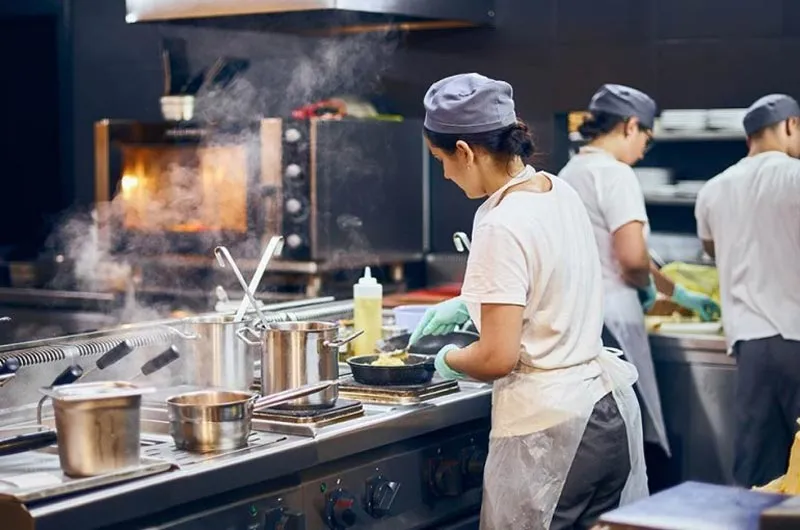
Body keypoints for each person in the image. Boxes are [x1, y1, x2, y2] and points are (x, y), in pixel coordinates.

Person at [410, 73, 648, 530]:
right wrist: (470, 302)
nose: (445, 174)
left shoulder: (500, 222)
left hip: (552, 434)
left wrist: (445, 360)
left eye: (441, 160)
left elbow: (497, 358)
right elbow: (546, 285)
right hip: (605, 412)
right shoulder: (558, 189)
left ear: (465, 151)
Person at [557, 84, 720, 459]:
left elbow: (622, 252)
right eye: (646, 136)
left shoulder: (569, 171)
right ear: (630, 126)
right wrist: (644, 287)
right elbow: (631, 259)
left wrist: (674, 291)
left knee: (599, 428)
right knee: (629, 429)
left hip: (580, 315)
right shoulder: (616, 174)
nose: (646, 147)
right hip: (615, 317)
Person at [695, 94, 800, 488]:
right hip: (797, 336)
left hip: (750, 344)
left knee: (758, 471)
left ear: (748, 138)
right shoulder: (795, 176)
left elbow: (712, 249)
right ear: (790, 125)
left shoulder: (714, 189)